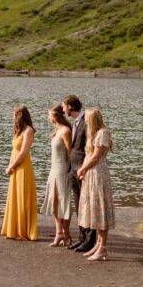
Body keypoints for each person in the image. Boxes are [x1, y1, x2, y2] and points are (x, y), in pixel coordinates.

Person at [77, 108, 116, 261]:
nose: (84, 121)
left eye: (86, 118)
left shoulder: (102, 133)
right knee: (94, 209)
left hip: (98, 174)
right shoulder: (93, 134)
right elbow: (89, 156)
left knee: (100, 210)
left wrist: (83, 168)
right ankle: (98, 245)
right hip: (91, 173)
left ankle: (103, 247)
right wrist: (83, 171)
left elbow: (96, 157)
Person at [1, 105, 37, 241]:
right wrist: (11, 166)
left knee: (23, 198)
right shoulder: (18, 131)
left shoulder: (28, 131)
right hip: (16, 168)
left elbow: (23, 154)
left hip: (23, 168)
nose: (12, 117)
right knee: (15, 196)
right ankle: (14, 229)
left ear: (20, 116)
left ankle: (25, 231)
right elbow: (15, 152)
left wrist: (11, 166)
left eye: (14, 115)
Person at [63, 95, 94, 252]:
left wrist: (84, 169)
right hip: (73, 169)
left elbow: (88, 148)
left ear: (70, 106)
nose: (63, 109)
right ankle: (82, 237)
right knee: (78, 204)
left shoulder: (86, 122)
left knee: (86, 204)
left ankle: (90, 239)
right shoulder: (74, 123)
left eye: (64, 106)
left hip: (82, 169)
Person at [41, 105, 74, 246]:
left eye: (49, 115)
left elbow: (70, 152)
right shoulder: (58, 131)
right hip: (54, 169)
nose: (48, 117)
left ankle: (66, 234)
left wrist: (70, 170)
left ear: (55, 116)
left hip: (62, 169)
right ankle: (58, 233)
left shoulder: (66, 131)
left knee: (63, 201)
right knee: (54, 200)